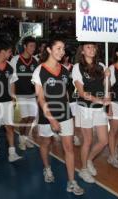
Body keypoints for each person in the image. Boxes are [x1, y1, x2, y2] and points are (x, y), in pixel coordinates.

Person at [31, 38, 84, 195]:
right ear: (49, 49)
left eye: (63, 49)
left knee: (69, 148)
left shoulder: (65, 70)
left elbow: (66, 95)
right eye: (59, 48)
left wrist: (70, 114)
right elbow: (40, 98)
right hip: (46, 116)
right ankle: (47, 168)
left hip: (65, 114)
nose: (62, 52)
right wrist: (52, 119)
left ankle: (72, 182)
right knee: (46, 143)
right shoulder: (39, 70)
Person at [72, 42, 110, 183]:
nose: (92, 49)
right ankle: (83, 170)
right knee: (87, 140)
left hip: (99, 109)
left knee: (103, 140)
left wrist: (107, 77)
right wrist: (98, 100)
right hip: (85, 108)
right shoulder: (77, 68)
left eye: (93, 47)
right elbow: (81, 93)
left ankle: (89, 159)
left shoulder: (102, 66)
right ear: (82, 51)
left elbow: (106, 88)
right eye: (88, 47)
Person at [10, 36, 38, 150]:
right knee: (25, 118)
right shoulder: (15, 60)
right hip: (20, 94)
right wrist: (13, 96)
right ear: (25, 46)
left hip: (32, 94)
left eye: (34, 46)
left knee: (31, 118)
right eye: (31, 46)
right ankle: (21, 139)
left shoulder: (35, 60)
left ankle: (26, 138)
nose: (33, 48)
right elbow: (11, 79)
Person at [60, 50, 81, 146]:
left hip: (73, 98)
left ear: (67, 57)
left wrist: (76, 96)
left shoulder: (74, 68)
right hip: (62, 99)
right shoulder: (58, 68)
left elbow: (77, 83)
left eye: (63, 56)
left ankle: (75, 136)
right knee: (65, 119)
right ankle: (63, 135)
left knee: (75, 118)